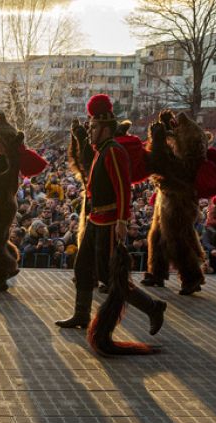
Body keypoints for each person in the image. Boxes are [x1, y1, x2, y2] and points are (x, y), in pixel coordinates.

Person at [56, 93, 165, 334]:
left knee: (108, 275)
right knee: (82, 268)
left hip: (109, 222)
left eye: (93, 126)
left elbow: (122, 188)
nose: (90, 130)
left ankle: (153, 306)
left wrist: (123, 221)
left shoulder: (114, 151)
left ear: (104, 128)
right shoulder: (101, 150)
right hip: (95, 219)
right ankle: (81, 315)